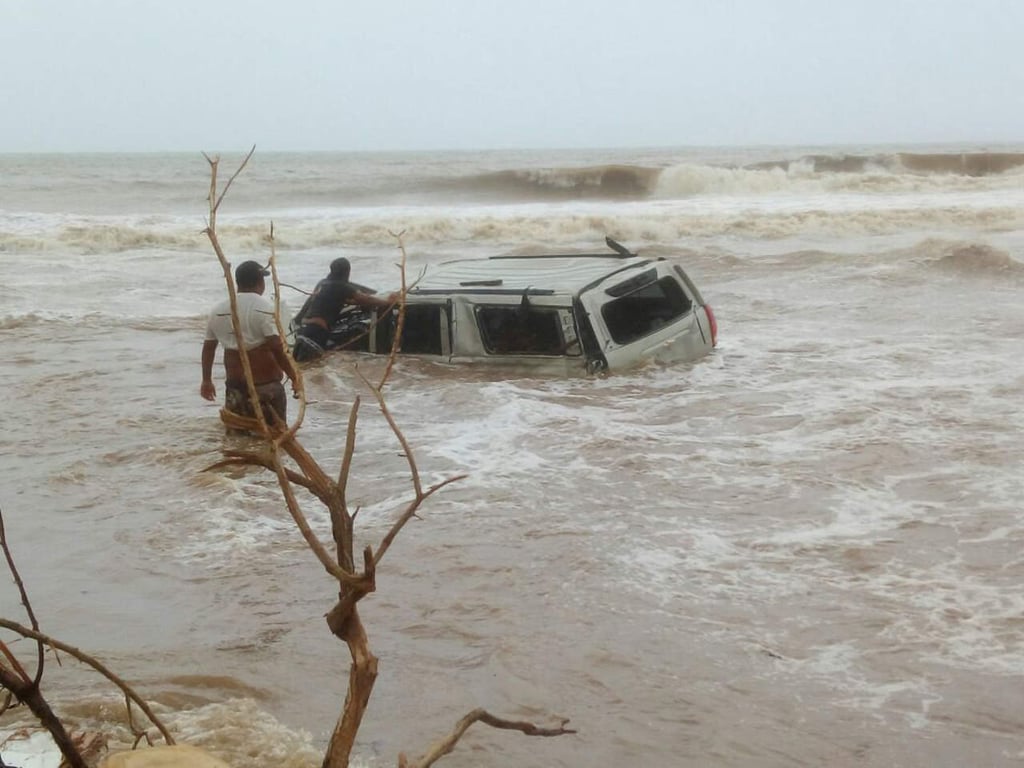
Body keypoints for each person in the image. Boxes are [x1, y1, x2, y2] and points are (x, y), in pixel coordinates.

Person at [200, 260, 298, 426]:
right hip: (266, 386)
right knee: (274, 436)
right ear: (260, 282)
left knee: (238, 436)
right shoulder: (264, 308)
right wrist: (294, 377)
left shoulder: (217, 310)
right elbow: (276, 346)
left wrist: (206, 380)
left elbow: (209, 348)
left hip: (235, 386)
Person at [291, 257, 397, 362]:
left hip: (304, 329)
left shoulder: (322, 283)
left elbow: (334, 300)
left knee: (303, 367)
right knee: (314, 366)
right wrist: (388, 302)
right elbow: (365, 299)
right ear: (347, 272)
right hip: (316, 331)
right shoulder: (341, 286)